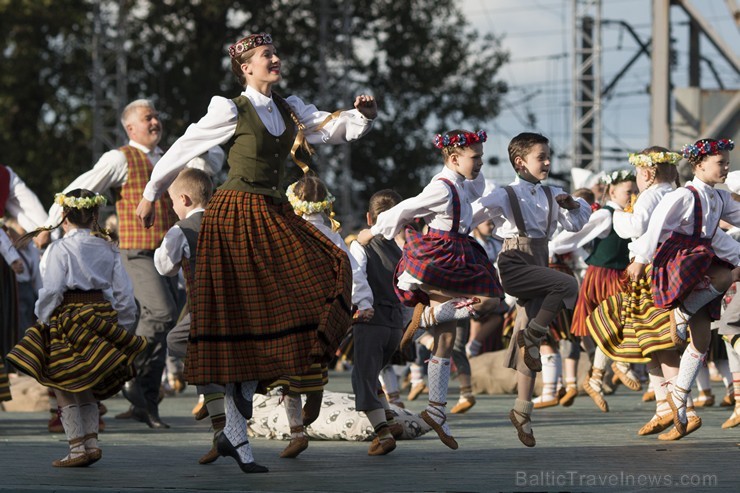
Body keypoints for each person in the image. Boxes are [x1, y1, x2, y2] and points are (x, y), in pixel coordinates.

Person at [135, 32, 377, 473]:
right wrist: (152, 193)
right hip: (236, 214)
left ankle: (248, 406)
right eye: (267, 55)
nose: (276, 59)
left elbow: (329, 127)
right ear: (246, 67)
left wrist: (363, 116)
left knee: (331, 263)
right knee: (244, 316)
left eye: (275, 53)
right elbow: (186, 145)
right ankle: (239, 429)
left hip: (272, 210)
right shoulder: (230, 108)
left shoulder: (289, 108)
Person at [358, 129, 503, 450]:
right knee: (489, 301)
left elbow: (479, 194)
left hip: (458, 249)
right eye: (474, 157)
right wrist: (373, 231)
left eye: (479, 156)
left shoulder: (465, 183)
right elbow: (402, 210)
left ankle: (436, 408)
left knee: (448, 336)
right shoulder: (441, 187)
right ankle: (420, 322)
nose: (480, 162)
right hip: (441, 254)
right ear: (453, 159)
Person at [48, 99, 180, 429]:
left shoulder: (168, 158)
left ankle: (145, 404)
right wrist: (51, 223)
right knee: (162, 313)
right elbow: (83, 186)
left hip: (166, 253)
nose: (155, 122)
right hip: (135, 252)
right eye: (147, 118)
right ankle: (122, 368)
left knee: (163, 327)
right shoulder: (120, 158)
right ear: (130, 128)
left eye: (156, 116)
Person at [6, 189, 146, 467]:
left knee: (62, 381)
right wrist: (123, 325)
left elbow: (52, 290)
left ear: (65, 216)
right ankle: (91, 443)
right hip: (100, 316)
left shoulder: (60, 248)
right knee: (87, 383)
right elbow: (123, 293)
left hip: (68, 318)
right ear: (95, 215)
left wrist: (42, 317)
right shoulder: (109, 247)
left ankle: (77, 448)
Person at [472, 132, 591, 447]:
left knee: (529, 347)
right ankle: (535, 333)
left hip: (540, 258)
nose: (548, 162)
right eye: (541, 157)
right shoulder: (504, 194)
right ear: (520, 162)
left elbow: (578, 223)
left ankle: (522, 412)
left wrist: (573, 202)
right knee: (567, 283)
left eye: (549, 156)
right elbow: (470, 215)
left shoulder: (554, 193)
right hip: (514, 261)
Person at [627, 138, 740, 438]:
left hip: (701, 257)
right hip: (681, 260)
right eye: (721, 163)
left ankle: (679, 397)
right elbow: (656, 227)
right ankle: (682, 312)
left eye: (728, 162)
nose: (727, 167)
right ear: (699, 164)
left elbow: (731, 224)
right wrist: (640, 259)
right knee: (724, 276)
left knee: (701, 341)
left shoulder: (720, 198)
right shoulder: (684, 195)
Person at [274, 174, 374, 459]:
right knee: (317, 360)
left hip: (291, 310)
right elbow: (352, 269)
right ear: (324, 204)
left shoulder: (287, 232)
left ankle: (297, 431)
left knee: (290, 372)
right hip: (323, 312)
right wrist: (364, 301)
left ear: (294, 203)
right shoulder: (332, 235)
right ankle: (315, 401)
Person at [550, 169, 639, 411]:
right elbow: (569, 239)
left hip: (620, 275)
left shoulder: (628, 214)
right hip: (603, 275)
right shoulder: (605, 215)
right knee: (616, 323)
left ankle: (597, 377)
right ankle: (617, 366)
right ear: (612, 192)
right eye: (628, 192)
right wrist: (585, 256)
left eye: (635, 192)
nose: (632, 196)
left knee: (621, 323)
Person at [153, 167, 224, 464]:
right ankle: (221, 426)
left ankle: (210, 387)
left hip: (206, 307)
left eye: (171, 202)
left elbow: (163, 266)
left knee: (177, 342)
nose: (171, 207)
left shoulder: (180, 230)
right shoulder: (227, 222)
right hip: (236, 306)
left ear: (183, 198)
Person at [349, 189, 406, 455]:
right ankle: (390, 420)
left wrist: (364, 305)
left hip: (371, 321)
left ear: (369, 218)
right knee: (372, 373)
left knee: (362, 375)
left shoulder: (361, 244)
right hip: (395, 325)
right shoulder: (401, 250)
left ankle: (382, 434)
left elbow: (356, 277)